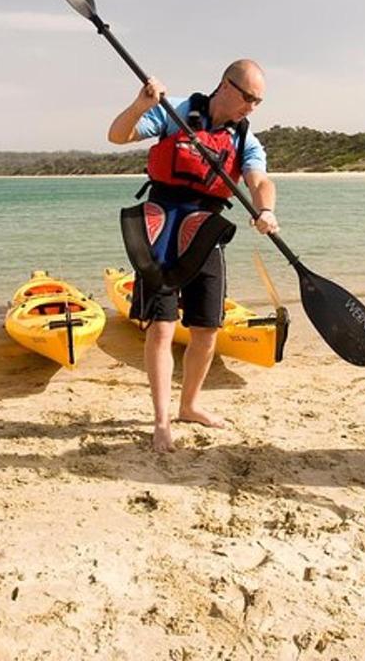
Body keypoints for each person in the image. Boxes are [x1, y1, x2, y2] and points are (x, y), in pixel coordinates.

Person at [108, 60, 278, 453]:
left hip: (204, 230)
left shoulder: (244, 139)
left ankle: (190, 405)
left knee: (207, 330)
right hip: (161, 228)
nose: (251, 107)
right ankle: (161, 419)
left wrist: (265, 210)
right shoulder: (177, 111)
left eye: (258, 102)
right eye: (247, 97)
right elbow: (118, 135)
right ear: (225, 85)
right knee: (161, 328)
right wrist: (139, 106)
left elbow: (260, 180)